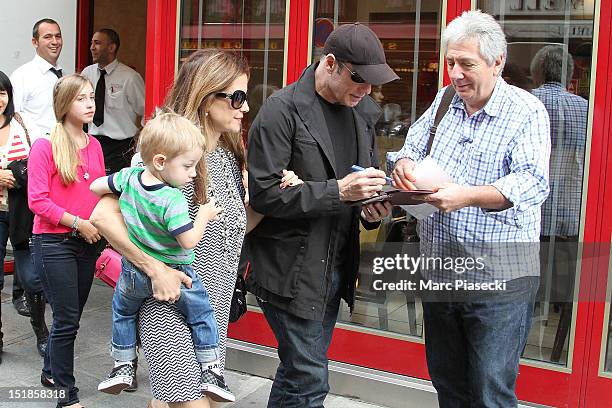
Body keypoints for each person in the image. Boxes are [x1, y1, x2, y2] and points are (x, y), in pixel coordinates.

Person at [391, 11, 550, 407]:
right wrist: (404, 166)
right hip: (441, 270)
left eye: (467, 64)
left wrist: (467, 196)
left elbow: (532, 182)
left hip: (499, 278)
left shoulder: (526, 112)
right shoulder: (445, 102)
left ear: (497, 63)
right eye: (450, 63)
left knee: (490, 390)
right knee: (448, 383)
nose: (456, 74)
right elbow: (409, 149)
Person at [90, 49, 254, 408]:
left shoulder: (224, 153)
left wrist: (280, 196)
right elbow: (102, 216)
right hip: (165, 302)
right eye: (237, 97)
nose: (244, 108)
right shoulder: (173, 152)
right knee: (190, 403)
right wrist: (155, 269)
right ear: (207, 97)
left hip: (207, 308)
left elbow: (232, 227)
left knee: (173, 401)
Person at [246, 22, 397, 406]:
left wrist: (373, 208)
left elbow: (364, 179)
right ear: (330, 63)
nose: (365, 91)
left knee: (298, 372)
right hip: (288, 268)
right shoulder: (282, 110)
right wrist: (338, 191)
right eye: (358, 80)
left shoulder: (362, 110)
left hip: (334, 264)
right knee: (310, 378)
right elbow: (263, 194)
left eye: (372, 84)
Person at [28, 74, 105, 408]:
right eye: (81, 98)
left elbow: (99, 191)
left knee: (68, 317)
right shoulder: (45, 145)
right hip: (54, 242)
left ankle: (50, 372)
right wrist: (79, 225)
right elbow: (38, 201)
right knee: (67, 320)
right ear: (64, 104)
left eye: (91, 97)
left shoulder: (96, 145)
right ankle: (66, 395)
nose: (89, 103)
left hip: (90, 242)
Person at [530, 45, 588, 362]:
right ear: (570, 75)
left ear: (536, 74)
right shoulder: (587, 109)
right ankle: (557, 354)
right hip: (572, 221)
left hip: (531, 218)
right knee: (568, 292)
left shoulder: (525, 103)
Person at [10, 17, 64, 316]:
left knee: (43, 224)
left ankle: (37, 287)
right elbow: (12, 116)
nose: (54, 41)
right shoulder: (25, 75)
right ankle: (22, 292)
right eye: (47, 37)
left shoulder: (61, 75)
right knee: (28, 225)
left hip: (58, 159)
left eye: (57, 36)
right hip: (32, 162)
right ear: (35, 42)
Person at [0, 70, 49, 359]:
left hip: (22, 211)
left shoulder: (22, 123)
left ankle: (42, 332)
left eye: (3, 93)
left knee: (31, 278)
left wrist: (17, 173)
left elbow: (39, 158)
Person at [82, 28, 145, 174]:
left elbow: (145, 112)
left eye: (97, 43)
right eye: (91, 43)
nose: (92, 47)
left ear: (111, 47)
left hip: (120, 147)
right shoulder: (87, 73)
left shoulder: (130, 77)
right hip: (91, 142)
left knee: (116, 191)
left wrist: (141, 144)